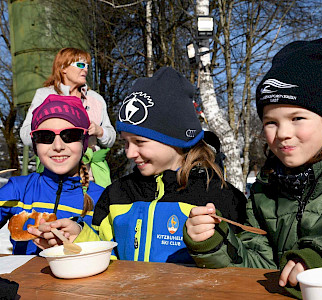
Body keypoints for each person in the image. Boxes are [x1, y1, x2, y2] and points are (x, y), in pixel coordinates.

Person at [183, 38, 322, 299]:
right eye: (270, 122)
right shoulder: (267, 189)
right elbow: (260, 271)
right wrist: (215, 242)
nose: (283, 133)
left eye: (297, 118)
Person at [29, 67, 247, 264]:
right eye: (125, 142)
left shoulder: (221, 197)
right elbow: (107, 257)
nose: (130, 153)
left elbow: (244, 267)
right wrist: (80, 238)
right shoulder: (116, 195)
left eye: (140, 142)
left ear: (177, 139)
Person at [0, 94, 104, 255]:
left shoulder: (102, 198)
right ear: (35, 143)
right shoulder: (18, 189)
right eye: (45, 136)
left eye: (70, 135)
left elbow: (113, 257)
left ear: (83, 142)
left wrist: (80, 238)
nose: (58, 146)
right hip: (24, 280)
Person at [19, 47, 116, 187]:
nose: (86, 70)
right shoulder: (44, 95)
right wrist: (52, 131)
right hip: (53, 174)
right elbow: (25, 135)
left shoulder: (96, 99)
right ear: (63, 67)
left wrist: (100, 131)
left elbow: (111, 138)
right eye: (81, 65)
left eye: (88, 65)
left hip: (91, 176)